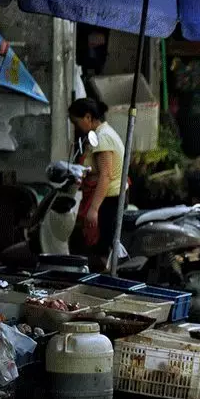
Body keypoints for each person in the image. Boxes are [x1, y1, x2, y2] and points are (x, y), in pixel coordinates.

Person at [68, 98, 125, 271]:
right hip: (106, 199)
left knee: (98, 251)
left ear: (87, 117)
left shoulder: (102, 138)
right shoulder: (103, 134)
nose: (76, 127)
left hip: (107, 201)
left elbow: (105, 175)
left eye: (76, 122)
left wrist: (94, 209)